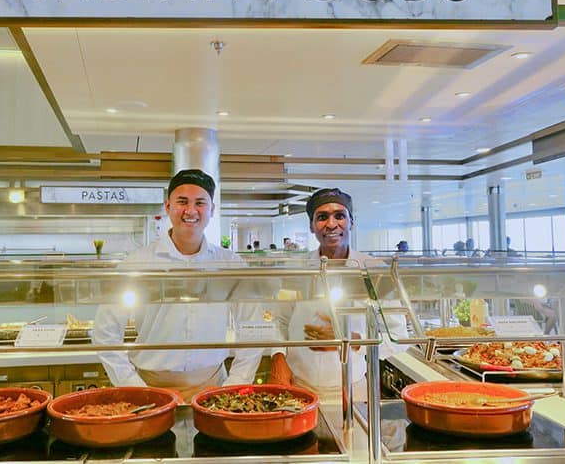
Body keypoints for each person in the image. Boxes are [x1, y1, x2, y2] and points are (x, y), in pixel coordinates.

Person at [93, 169, 262, 400]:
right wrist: (137, 388)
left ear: (212, 209)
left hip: (215, 387)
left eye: (200, 203)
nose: (190, 211)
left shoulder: (230, 264)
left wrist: (234, 386)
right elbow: (104, 333)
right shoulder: (137, 262)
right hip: (151, 387)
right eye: (182, 201)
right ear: (168, 206)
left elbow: (254, 329)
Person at [270, 188, 408, 401]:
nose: (331, 224)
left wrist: (354, 341)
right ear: (311, 226)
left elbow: (398, 336)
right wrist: (277, 356)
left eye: (339, 216)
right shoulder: (295, 269)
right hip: (296, 386)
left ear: (351, 221)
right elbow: (278, 320)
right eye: (322, 217)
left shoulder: (374, 270)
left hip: (352, 390)